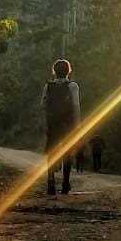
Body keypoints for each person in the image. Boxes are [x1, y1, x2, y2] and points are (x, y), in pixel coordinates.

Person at [41, 58, 81, 197]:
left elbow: (43, 107)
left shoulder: (48, 86)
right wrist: (77, 126)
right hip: (67, 124)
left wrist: (46, 124)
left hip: (53, 124)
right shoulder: (73, 86)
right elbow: (75, 106)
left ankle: (50, 182)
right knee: (67, 154)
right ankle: (65, 183)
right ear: (68, 71)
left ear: (54, 71)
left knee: (51, 153)